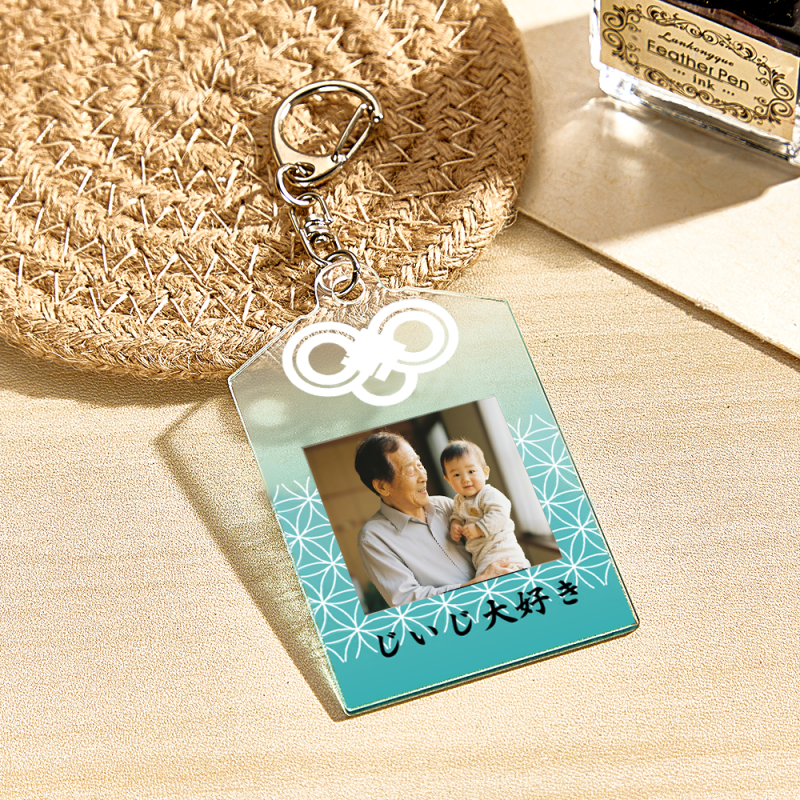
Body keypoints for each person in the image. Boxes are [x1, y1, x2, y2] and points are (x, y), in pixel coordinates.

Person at [355, 432, 513, 608]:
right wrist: (479, 584)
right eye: (410, 470)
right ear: (382, 486)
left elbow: (495, 535)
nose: (423, 476)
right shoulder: (373, 538)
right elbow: (407, 601)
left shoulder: (447, 505)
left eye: (419, 464)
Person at [440, 439, 531, 576]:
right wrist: (455, 524)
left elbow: (499, 515)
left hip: (502, 552)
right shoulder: (458, 500)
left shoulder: (488, 494)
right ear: (448, 480)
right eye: (457, 475)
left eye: (471, 471)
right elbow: (457, 515)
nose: (465, 479)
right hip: (482, 557)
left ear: (485, 472)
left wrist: (478, 529)